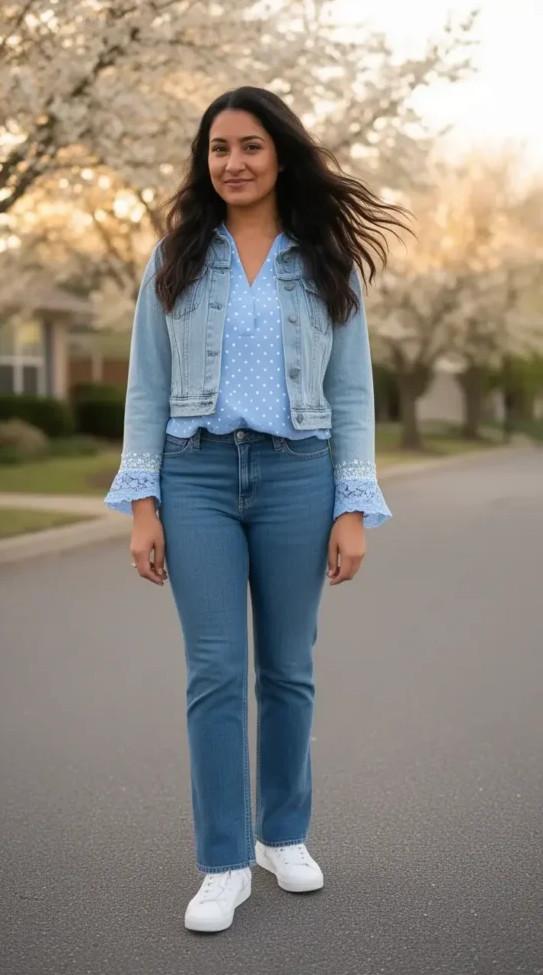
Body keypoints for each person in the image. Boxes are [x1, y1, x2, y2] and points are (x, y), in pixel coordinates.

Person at [105, 86, 408, 933]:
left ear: (279, 155)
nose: (231, 163)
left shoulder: (323, 261)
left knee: (286, 668)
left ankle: (283, 835)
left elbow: (350, 393)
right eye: (216, 150)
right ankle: (223, 861)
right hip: (193, 475)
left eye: (247, 147)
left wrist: (352, 505)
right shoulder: (174, 258)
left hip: (296, 476)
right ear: (204, 163)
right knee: (213, 672)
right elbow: (146, 389)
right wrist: (143, 505)